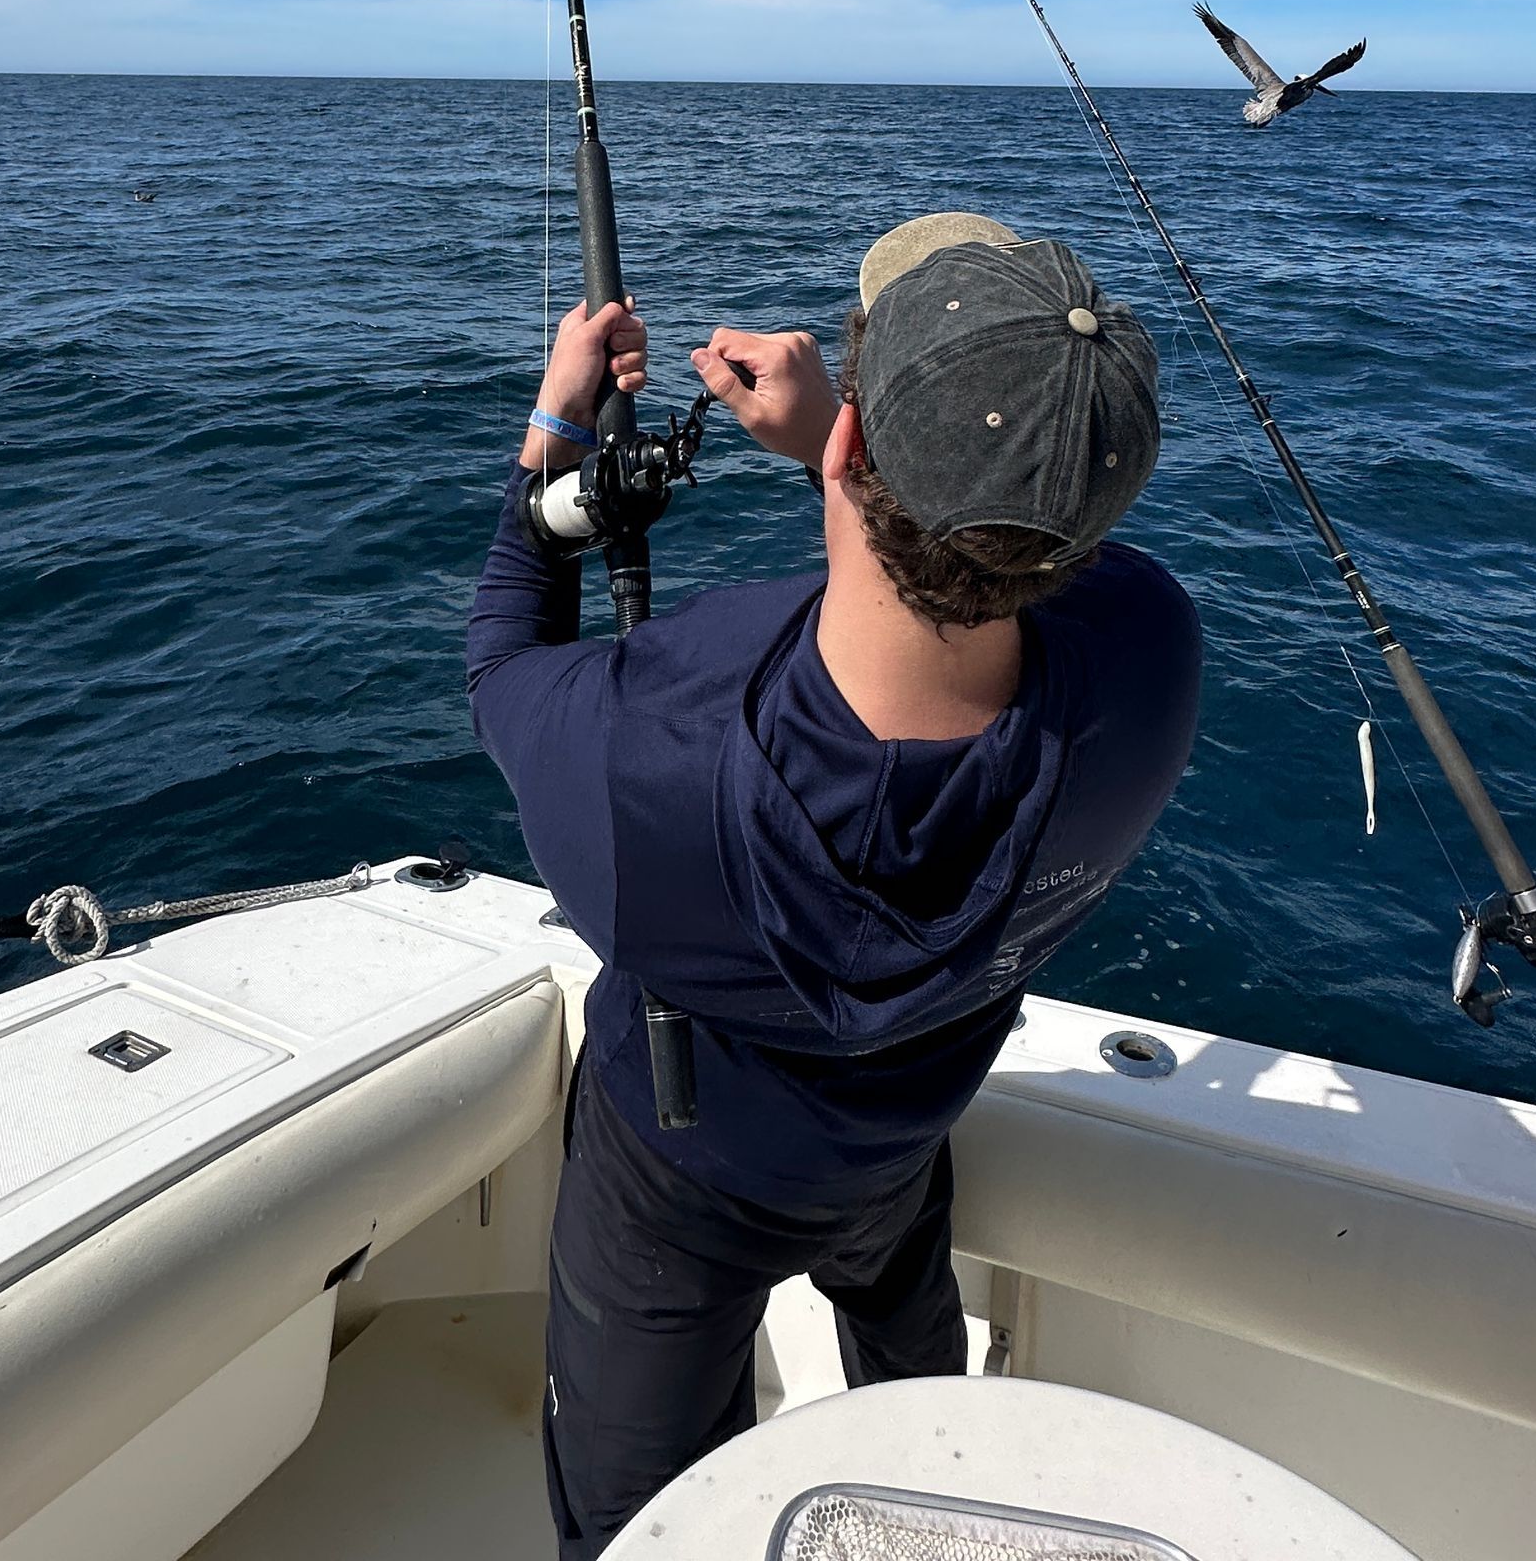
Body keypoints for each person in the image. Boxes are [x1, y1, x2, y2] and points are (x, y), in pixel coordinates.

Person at [467, 212, 1201, 1555]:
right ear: (1089, 527)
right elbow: (1019, 580)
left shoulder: (657, 756)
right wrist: (839, 453)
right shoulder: (1150, 666)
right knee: (925, 1430)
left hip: (670, 1189)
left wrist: (556, 440)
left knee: (635, 1529)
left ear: (858, 445)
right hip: (898, 1148)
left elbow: (505, 666)